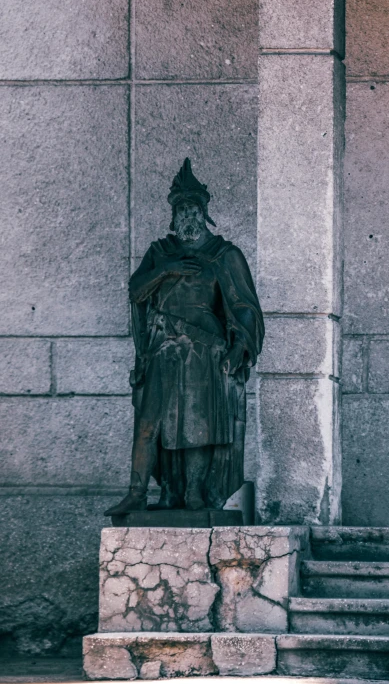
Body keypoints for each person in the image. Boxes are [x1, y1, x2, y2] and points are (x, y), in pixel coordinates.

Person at [105, 159, 264, 515]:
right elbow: (136, 292)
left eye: (193, 209)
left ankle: (193, 493)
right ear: (173, 216)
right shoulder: (160, 253)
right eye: (181, 210)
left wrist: (240, 346)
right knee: (150, 424)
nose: (187, 216)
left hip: (205, 353)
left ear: (204, 213)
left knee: (196, 426)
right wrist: (167, 270)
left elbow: (244, 308)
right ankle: (138, 491)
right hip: (163, 350)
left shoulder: (225, 255)